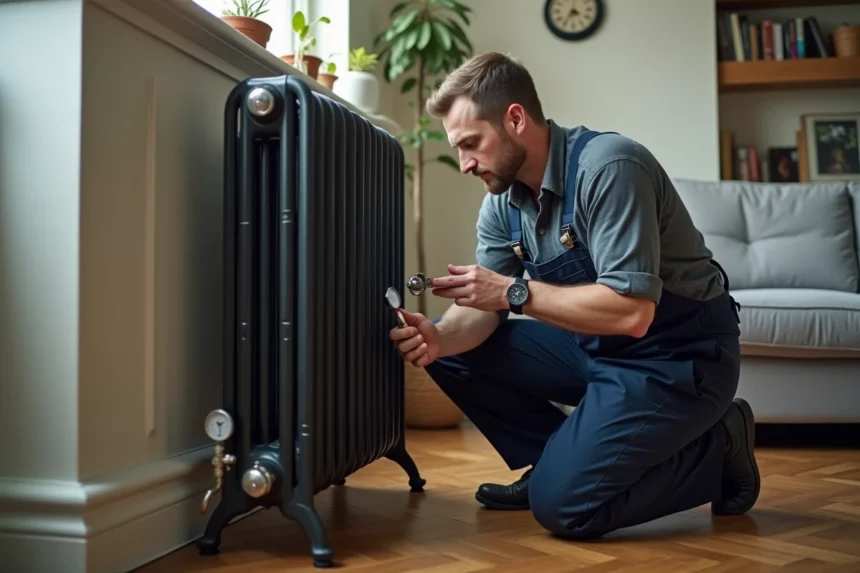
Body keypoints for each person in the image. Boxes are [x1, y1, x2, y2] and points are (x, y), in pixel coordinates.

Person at [388, 51, 761, 540]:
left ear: (515, 119)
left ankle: (720, 445)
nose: (464, 164)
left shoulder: (610, 168)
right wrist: (437, 336)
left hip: (678, 358)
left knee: (565, 510)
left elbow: (632, 313)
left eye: (471, 144)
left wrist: (513, 291)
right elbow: (483, 311)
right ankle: (555, 464)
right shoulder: (502, 204)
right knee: (451, 353)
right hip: (597, 350)